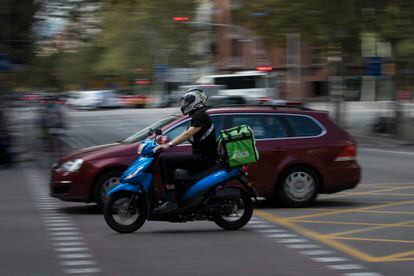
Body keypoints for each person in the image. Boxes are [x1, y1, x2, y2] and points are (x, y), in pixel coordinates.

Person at [153, 88, 217, 213]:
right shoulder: (198, 116)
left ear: (197, 101)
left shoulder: (201, 116)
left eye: (188, 102)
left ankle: (171, 201)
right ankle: (172, 196)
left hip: (204, 159)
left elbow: (187, 134)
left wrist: (168, 145)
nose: (185, 105)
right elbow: (186, 132)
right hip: (200, 156)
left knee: (167, 161)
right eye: (185, 102)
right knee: (161, 160)